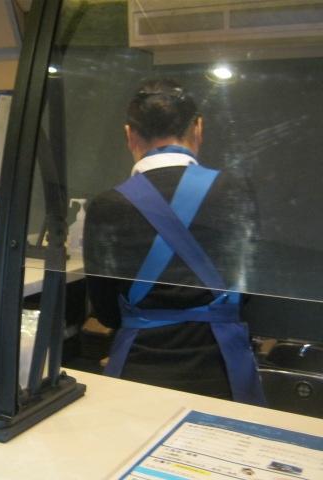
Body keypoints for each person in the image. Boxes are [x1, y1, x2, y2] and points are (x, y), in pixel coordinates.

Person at [83, 79, 265, 405]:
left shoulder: (106, 205)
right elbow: (249, 288)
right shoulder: (235, 190)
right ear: (198, 128)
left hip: (138, 374)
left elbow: (106, 310)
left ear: (129, 135)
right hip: (222, 371)